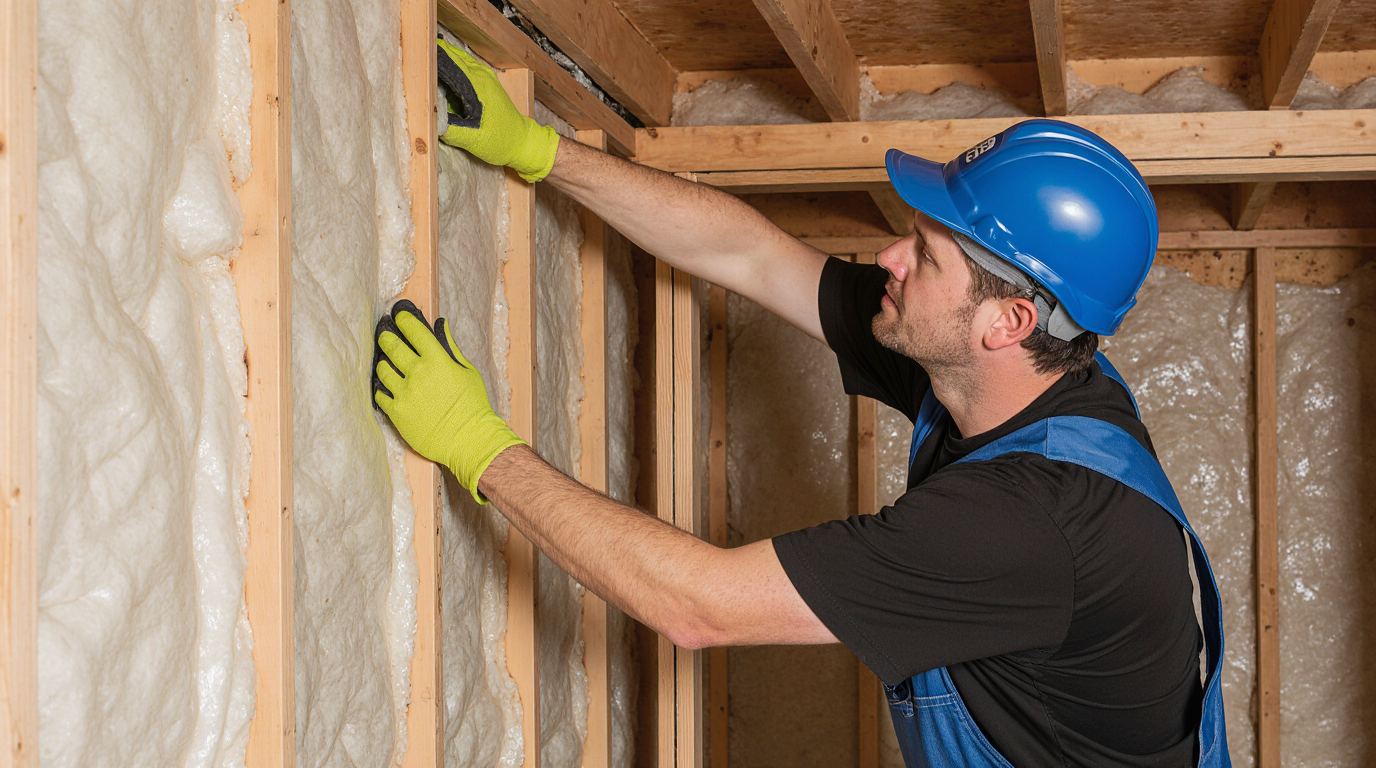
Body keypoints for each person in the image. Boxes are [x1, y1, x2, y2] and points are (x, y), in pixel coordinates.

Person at [373, 41, 1231, 767]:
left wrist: (477, 444)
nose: (891, 257)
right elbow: (755, 258)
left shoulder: (1024, 525)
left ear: (1008, 321)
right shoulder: (1013, 382)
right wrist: (540, 149)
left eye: (928, 255)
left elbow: (699, 606)